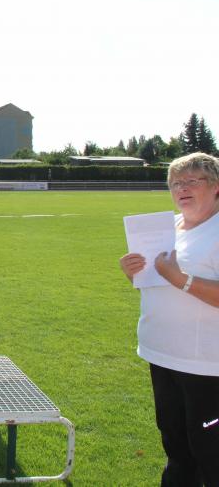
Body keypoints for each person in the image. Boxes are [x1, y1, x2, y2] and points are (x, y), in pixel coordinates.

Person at [119, 152, 219, 486]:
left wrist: (181, 279)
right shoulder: (166, 227)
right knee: (176, 448)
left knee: (210, 452)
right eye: (175, 183)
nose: (182, 188)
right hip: (161, 355)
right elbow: (153, 284)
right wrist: (133, 273)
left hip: (206, 366)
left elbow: (178, 280)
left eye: (192, 181)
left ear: (216, 186)